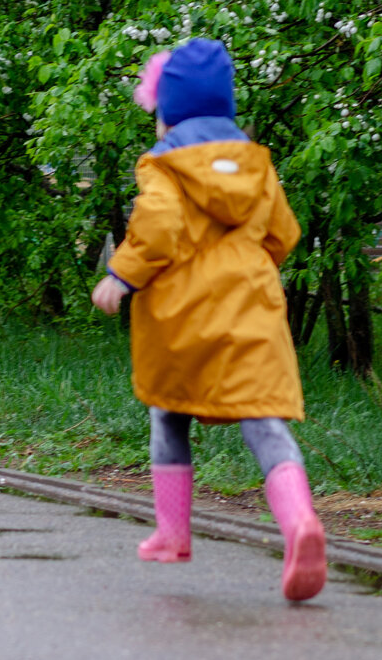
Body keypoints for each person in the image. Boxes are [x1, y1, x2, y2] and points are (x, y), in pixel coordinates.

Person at [91, 38, 326, 602]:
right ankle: (301, 526)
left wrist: (120, 276)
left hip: (182, 320)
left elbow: (159, 227)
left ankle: (173, 534)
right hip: (252, 313)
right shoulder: (256, 164)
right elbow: (283, 235)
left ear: (169, 111)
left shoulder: (166, 166)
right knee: (265, 423)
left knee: (168, 413)